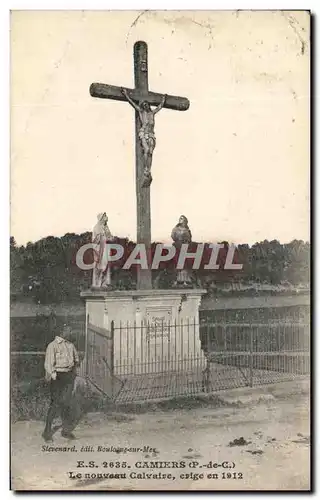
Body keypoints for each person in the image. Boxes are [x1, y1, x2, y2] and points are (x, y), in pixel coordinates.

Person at [42, 323, 80, 442]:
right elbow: (48, 364)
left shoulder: (70, 345)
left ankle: (65, 431)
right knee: (55, 404)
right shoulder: (52, 346)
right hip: (58, 377)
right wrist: (54, 377)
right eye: (69, 330)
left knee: (66, 403)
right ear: (62, 331)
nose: (71, 333)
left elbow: (76, 360)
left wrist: (73, 374)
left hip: (69, 376)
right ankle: (47, 432)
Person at [121, 88, 166, 187]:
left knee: (150, 152)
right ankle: (146, 170)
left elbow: (159, 107)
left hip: (151, 134)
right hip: (144, 133)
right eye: (144, 105)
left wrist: (163, 99)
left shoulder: (152, 113)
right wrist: (126, 95)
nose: (146, 106)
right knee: (146, 150)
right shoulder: (141, 112)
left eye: (147, 105)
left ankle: (148, 170)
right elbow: (133, 104)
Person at [92, 212, 114, 288]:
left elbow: (110, 237)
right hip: (100, 250)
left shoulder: (106, 227)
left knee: (106, 265)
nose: (106, 217)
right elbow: (95, 240)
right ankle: (97, 283)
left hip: (106, 249)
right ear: (101, 218)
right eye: (105, 216)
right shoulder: (96, 227)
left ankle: (104, 283)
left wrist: (109, 237)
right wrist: (103, 237)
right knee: (100, 266)